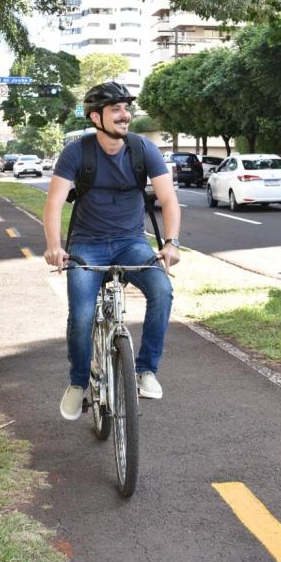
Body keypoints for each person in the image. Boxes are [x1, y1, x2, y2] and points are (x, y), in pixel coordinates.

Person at [43, 82, 181, 420]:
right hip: (87, 245)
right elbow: (54, 202)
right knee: (81, 316)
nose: (124, 115)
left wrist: (171, 242)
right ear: (96, 117)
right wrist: (54, 247)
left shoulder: (143, 149)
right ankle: (78, 383)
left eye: (126, 108)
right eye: (115, 109)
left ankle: (145, 370)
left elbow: (168, 199)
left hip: (131, 243)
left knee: (162, 290)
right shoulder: (77, 152)